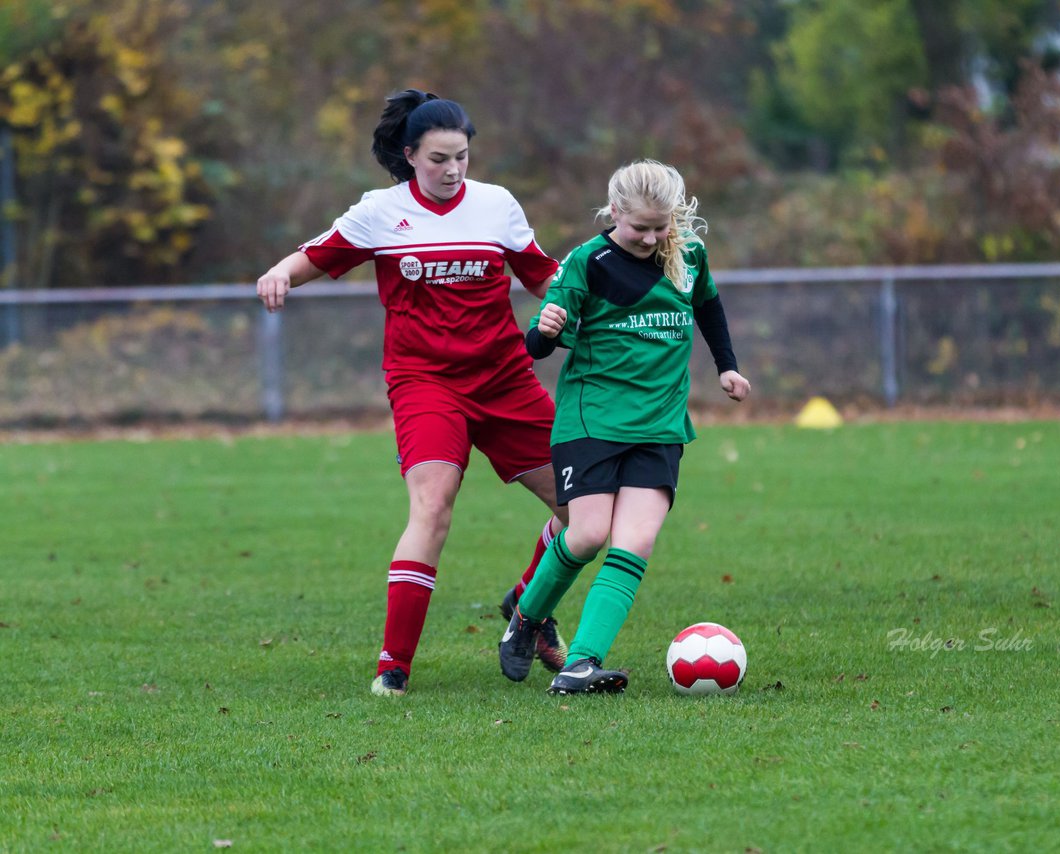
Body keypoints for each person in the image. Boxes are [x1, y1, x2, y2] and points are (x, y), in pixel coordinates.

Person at [255, 89, 570, 697]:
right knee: (432, 506)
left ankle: (526, 606)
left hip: (505, 379)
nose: (453, 170)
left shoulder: (496, 205)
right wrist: (280, 273)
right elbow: (316, 255)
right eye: (439, 159)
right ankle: (393, 668)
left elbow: (543, 275)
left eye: (462, 157)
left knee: (581, 511)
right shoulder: (381, 211)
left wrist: (587, 300)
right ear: (409, 156)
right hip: (426, 383)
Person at [497, 159, 751, 695]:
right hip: (593, 419)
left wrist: (726, 364)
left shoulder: (688, 255)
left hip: (660, 424)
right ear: (615, 213)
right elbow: (537, 345)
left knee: (635, 542)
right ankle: (526, 616)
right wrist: (543, 330)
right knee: (587, 534)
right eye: (641, 227)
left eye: (663, 227)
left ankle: (580, 664)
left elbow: (709, 308)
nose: (652, 237)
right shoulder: (588, 262)